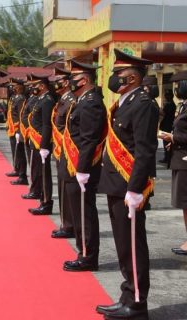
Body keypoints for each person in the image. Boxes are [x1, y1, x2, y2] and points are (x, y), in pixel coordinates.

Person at [96, 49, 158, 320]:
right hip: (115, 182)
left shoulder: (143, 103)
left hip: (128, 184)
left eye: (117, 75)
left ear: (132, 78)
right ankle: (126, 294)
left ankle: (136, 304)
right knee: (123, 244)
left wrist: (135, 189)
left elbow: (145, 150)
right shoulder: (125, 101)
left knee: (132, 244)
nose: (114, 79)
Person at [59, 60, 106, 272]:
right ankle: (83, 251)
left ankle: (87, 256)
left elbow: (89, 139)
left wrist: (83, 169)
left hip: (81, 167)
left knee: (84, 214)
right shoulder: (82, 100)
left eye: (73, 78)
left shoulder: (91, 102)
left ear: (84, 80)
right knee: (78, 213)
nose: (69, 82)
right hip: (73, 164)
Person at [159, 71, 187, 256]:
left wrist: (173, 136)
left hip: (185, 160)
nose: (175, 90)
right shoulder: (183, 106)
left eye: (179, 85)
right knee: (184, 204)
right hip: (180, 159)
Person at [49, 67, 76, 239]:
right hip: (60, 150)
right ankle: (66, 223)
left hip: (68, 152)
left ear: (66, 82)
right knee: (62, 189)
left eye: (58, 80)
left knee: (67, 191)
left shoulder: (71, 101)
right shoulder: (62, 100)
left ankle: (69, 225)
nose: (55, 83)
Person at [27, 73, 55, 215]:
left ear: (43, 86)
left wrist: (44, 145)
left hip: (41, 143)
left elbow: (46, 125)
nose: (33, 88)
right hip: (36, 141)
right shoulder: (40, 100)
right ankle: (42, 200)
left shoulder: (47, 101)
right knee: (38, 171)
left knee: (44, 174)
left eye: (35, 86)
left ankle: (46, 203)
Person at [5, 79, 27, 181]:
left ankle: (21, 172)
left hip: (17, 129)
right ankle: (16, 169)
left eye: (15, 86)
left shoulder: (21, 98)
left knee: (19, 152)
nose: (13, 88)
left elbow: (20, 115)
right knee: (15, 151)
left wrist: (19, 131)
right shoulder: (14, 98)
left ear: (20, 87)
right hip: (12, 128)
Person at [20, 75, 37, 198]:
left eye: (32, 85)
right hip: (28, 133)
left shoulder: (40, 99)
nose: (30, 88)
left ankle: (37, 190)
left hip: (35, 136)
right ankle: (35, 189)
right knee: (33, 166)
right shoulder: (31, 98)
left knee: (36, 167)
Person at [159, 89, 176, 163]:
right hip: (168, 124)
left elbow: (163, 113)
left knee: (166, 142)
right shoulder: (171, 104)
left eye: (167, 95)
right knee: (166, 142)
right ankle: (167, 157)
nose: (166, 96)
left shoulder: (169, 104)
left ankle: (167, 158)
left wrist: (160, 109)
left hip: (167, 125)